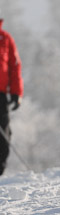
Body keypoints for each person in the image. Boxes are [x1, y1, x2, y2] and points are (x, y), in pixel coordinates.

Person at [0, 17, 23, 176]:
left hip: (1, 95)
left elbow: (14, 67)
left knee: (4, 134)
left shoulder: (5, 38)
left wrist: (16, 93)